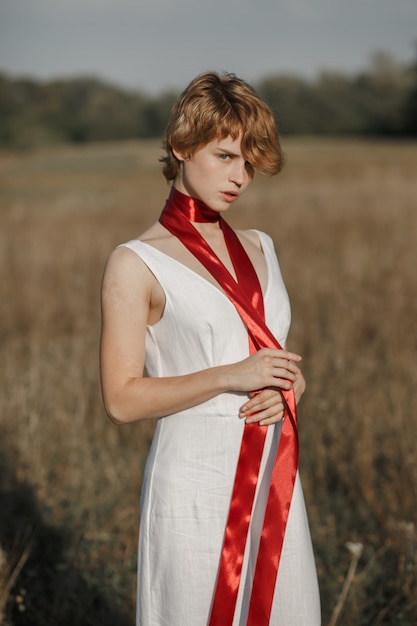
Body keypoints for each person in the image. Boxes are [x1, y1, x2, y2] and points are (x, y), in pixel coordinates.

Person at [100, 71, 321, 626]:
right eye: (224, 156)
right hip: (194, 482)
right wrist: (230, 376)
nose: (239, 177)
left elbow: (275, 362)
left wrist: (291, 386)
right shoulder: (135, 261)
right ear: (180, 146)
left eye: (248, 163)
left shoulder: (261, 245)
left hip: (275, 477)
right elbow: (121, 401)